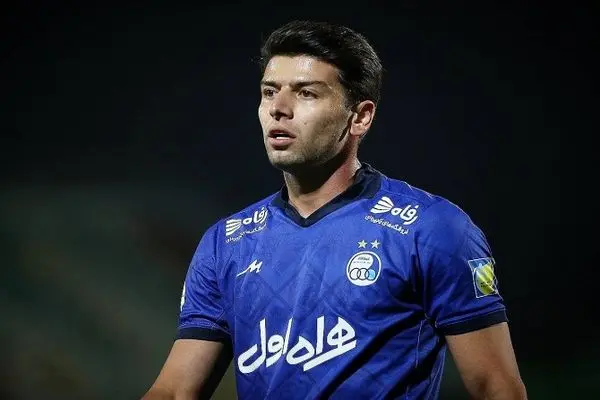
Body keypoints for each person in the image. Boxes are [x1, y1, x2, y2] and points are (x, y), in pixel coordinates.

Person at [142, 20, 527, 399]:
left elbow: (497, 388)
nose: (279, 108)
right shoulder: (225, 243)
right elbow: (175, 391)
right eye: (269, 91)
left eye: (306, 93)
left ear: (359, 117)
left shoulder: (432, 230)